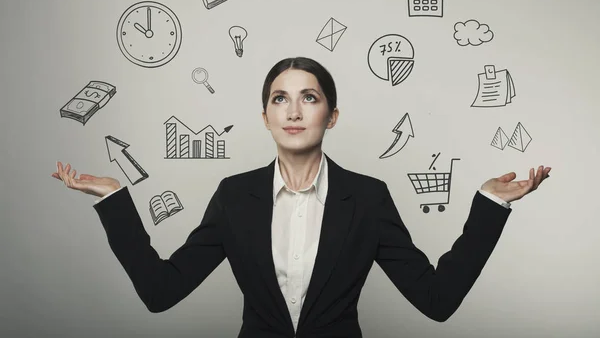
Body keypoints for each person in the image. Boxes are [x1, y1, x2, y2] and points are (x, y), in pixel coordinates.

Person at [52, 57, 550, 338]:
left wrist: (489, 205)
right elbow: (161, 292)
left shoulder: (368, 198)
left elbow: (436, 301)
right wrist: (114, 199)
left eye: (309, 97)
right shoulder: (235, 196)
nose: (293, 111)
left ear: (331, 115)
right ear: (265, 116)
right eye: (279, 98)